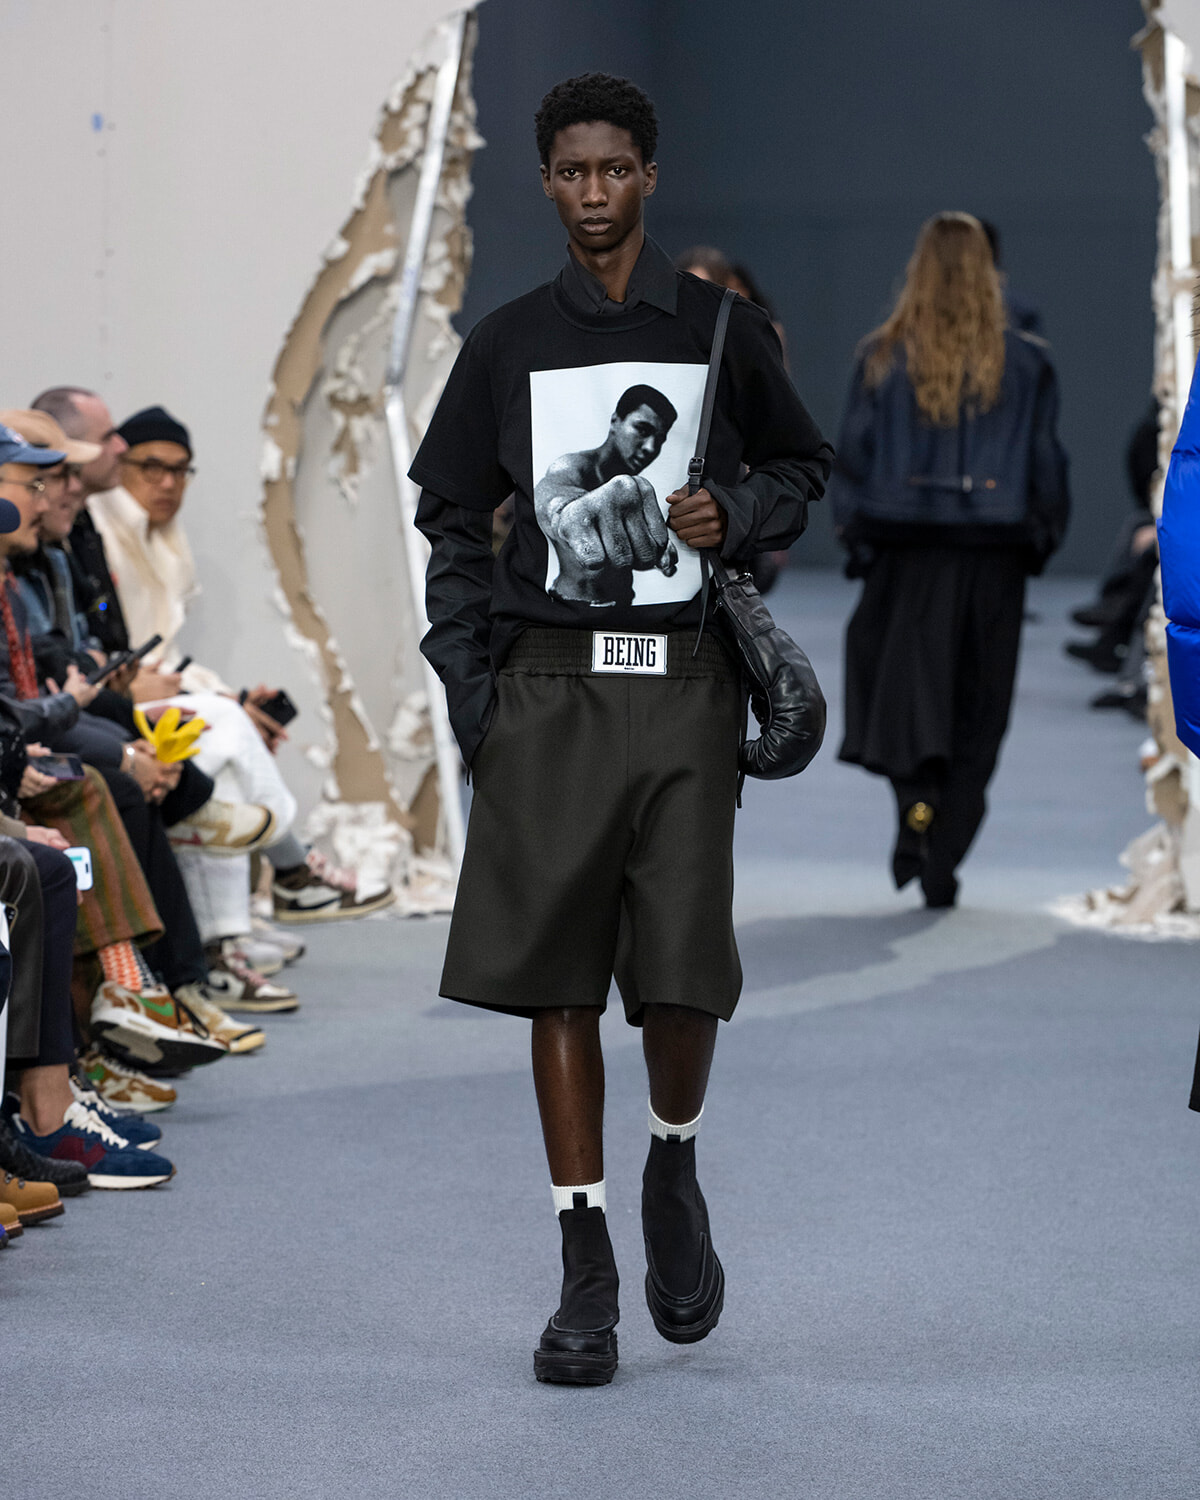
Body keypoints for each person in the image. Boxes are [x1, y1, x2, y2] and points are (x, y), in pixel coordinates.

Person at [412, 72, 831, 1385]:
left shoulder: (718, 330)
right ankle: (582, 1260)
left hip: (687, 692)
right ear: (547, 180)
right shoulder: (507, 344)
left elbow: (804, 470)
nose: (594, 193)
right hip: (545, 689)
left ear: (649, 174)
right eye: (572, 172)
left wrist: (736, 513)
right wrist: (474, 693)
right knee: (556, 976)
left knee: (680, 971)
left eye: (615, 170)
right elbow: (446, 519)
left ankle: (674, 1162)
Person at [831, 211, 1070, 907]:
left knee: (902, 703)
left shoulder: (881, 354)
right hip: (992, 557)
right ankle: (945, 855)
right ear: (991, 271)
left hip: (904, 554)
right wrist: (1041, 539)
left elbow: (854, 456)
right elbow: (1046, 464)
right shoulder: (1027, 363)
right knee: (979, 713)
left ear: (919, 267)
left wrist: (858, 542)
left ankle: (917, 804)